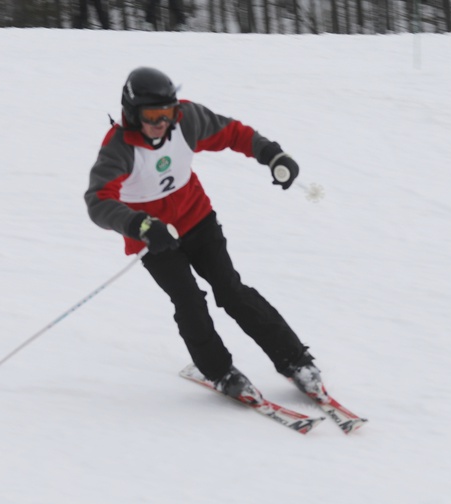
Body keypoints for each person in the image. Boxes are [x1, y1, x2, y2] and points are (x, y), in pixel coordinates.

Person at [84, 67, 322, 400]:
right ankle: (219, 371)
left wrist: (272, 154)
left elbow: (233, 133)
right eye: (152, 115)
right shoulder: (119, 148)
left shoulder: (188, 120)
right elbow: (97, 201)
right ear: (132, 113)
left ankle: (295, 360)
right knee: (189, 301)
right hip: (153, 238)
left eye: (167, 113)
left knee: (231, 290)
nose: (161, 123)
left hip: (197, 219)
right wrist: (140, 224)